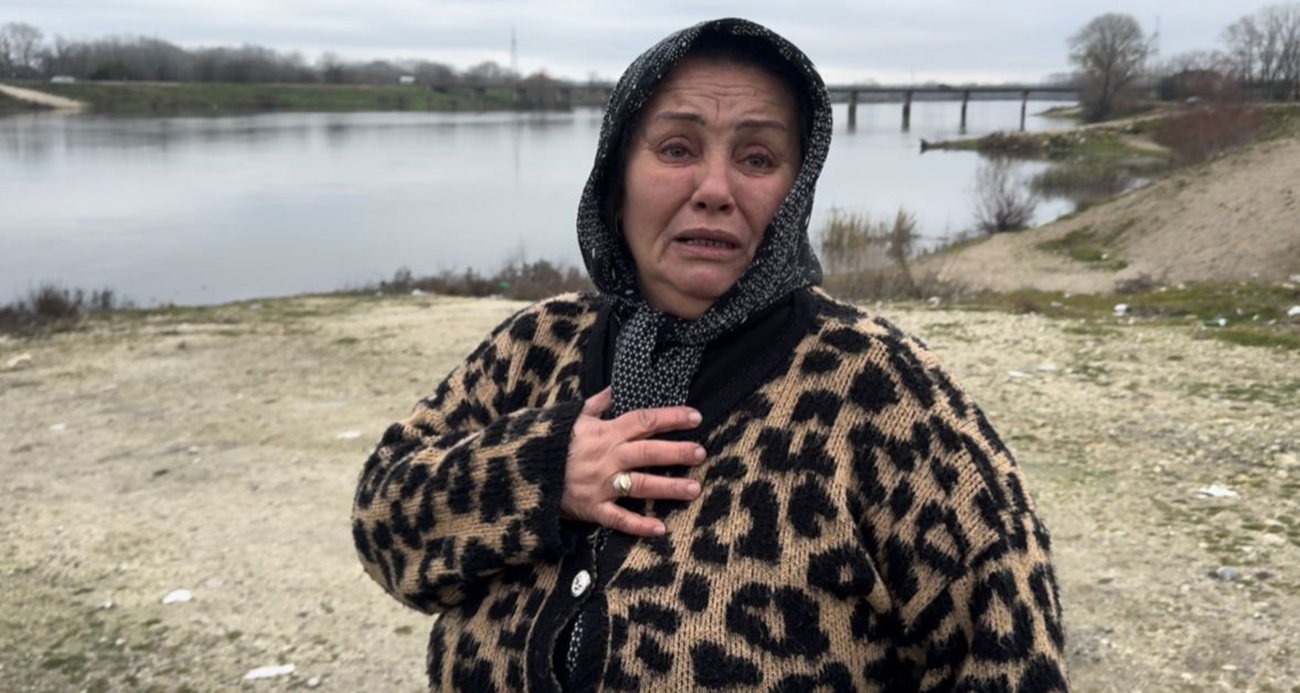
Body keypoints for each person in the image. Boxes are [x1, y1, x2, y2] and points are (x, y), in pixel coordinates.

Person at [352, 17, 1069, 693]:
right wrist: (540, 474)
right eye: (676, 149)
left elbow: (1012, 655)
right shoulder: (534, 345)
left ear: (796, 190)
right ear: (616, 176)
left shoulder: (884, 390)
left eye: (757, 158)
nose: (715, 190)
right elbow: (384, 527)